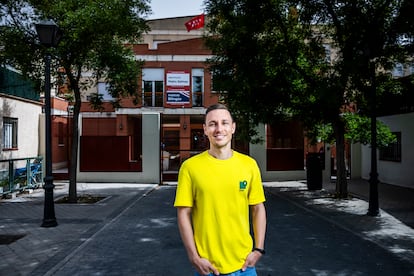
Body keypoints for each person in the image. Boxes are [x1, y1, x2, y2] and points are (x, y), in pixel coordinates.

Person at [174, 103, 267, 275]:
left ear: (233, 128)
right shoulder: (190, 168)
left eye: (224, 123)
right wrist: (194, 257)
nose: (219, 129)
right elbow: (183, 213)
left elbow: (257, 208)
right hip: (207, 267)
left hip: (244, 266)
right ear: (205, 129)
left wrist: (259, 249)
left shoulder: (249, 165)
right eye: (212, 124)